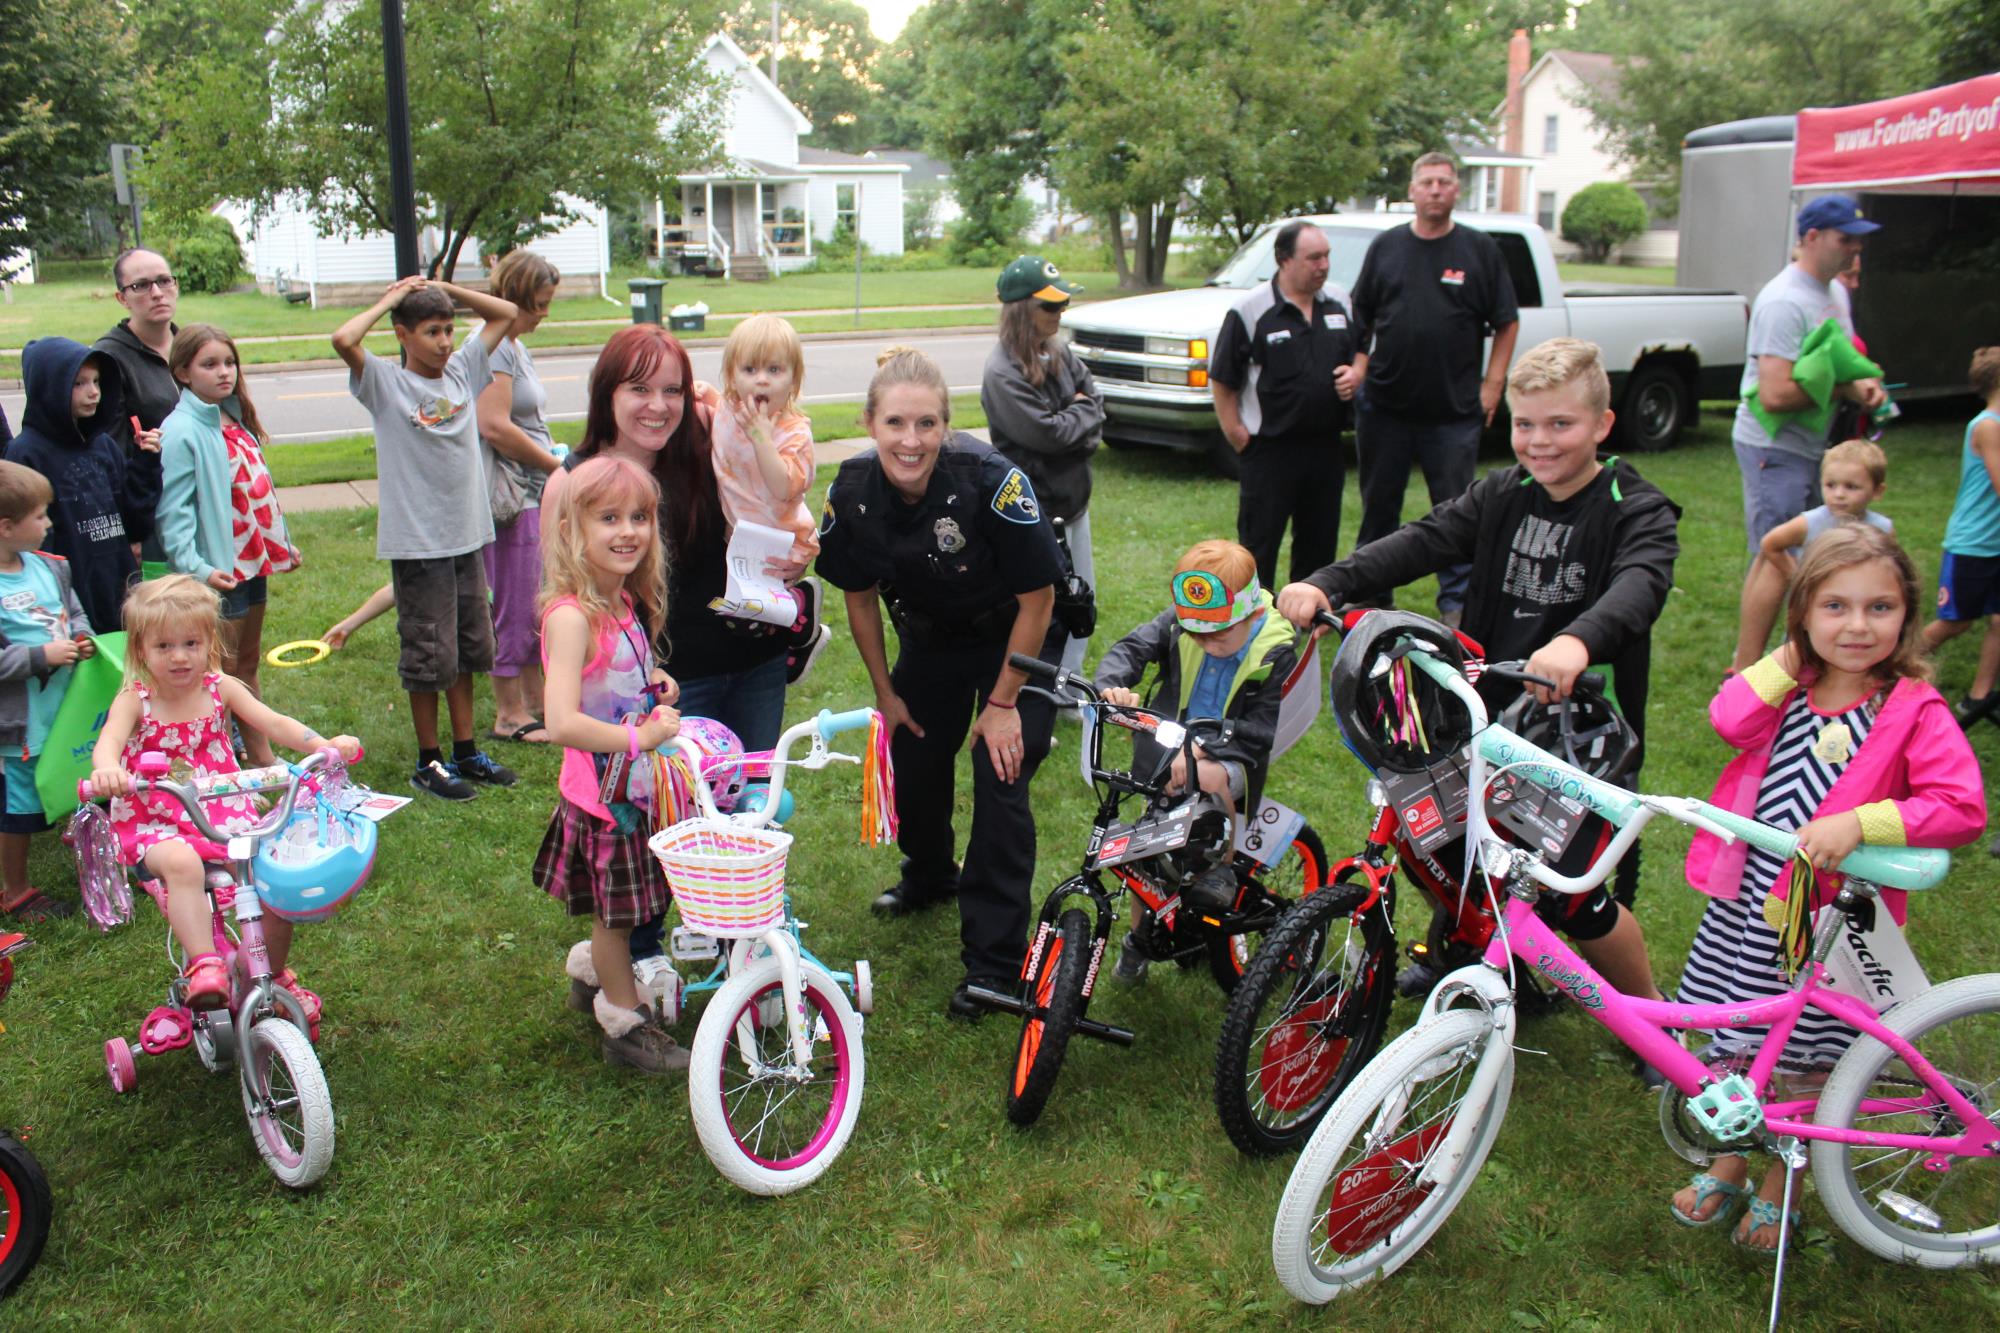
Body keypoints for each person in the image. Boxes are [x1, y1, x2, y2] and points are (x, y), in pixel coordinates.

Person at [1276, 337, 1678, 997]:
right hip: (1482, 714)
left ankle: (1649, 1022)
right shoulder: (1504, 491)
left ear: (1603, 425)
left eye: (1561, 424)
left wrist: (1578, 641)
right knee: (1442, 840)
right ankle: (1468, 951)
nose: (1539, 441)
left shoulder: (1635, 507)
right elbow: (1424, 540)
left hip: (1573, 738)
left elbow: (1640, 584)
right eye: (1525, 424)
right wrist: (1330, 580)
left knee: (1573, 897)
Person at [1672, 524, 1984, 1251]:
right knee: (1741, 1038)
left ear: (1907, 614)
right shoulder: (1793, 687)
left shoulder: (1912, 707)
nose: (1856, 625)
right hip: (1750, 903)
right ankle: (1729, 1159)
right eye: (1834, 606)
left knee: (1804, 1056)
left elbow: (1963, 805)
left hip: (1826, 922)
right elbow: (1728, 717)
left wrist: (1865, 822)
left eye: (1879, 607)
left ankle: (1785, 1184)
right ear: (1805, 613)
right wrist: (1791, 654)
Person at [542, 324, 795, 1000]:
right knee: (660, 822)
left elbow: (781, 483)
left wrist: (796, 552)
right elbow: (563, 593)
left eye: (672, 389)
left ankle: (740, 946)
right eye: (638, 388)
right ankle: (642, 952)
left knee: (747, 810)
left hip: (754, 656)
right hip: (658, 691)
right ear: (607, 393)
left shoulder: (709, 439)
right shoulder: (574, 482)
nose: (658, 405)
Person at [815, 346, 1067, 1017]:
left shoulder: (991, 480)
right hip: (933, 637)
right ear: (870, 421)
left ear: (947, 426)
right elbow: (860, 594)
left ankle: (995, 963)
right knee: (915, 754)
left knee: (1000, 771)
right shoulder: (851, 488)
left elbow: (1040, 599)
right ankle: (929, 875)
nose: (911, 439)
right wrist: (886, 694)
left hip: (1018, 638)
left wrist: (1003, 702)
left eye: (927, 424)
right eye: (896, 422)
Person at [87, 575, 361, 1019]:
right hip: (157, 820)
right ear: (140, 651)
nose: (180, 657)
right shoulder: (135, 700)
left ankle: (268, 974)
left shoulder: (221, 688)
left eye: (191, 643)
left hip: (223, 812)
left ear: (210, 641)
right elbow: (108, 743)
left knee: (271, 876)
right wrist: (109, 770)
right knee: (181, 863)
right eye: (164, 647)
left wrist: (319, 743)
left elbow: (275, 723)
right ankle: (205, 966)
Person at [332, 276, 520, 801]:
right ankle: (428, 760)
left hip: (466, 538)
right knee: (428, 655)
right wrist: (390, 298)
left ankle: (465, 750)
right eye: (431, 331)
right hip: (419, 545)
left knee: (466, 649)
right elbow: (344, 340)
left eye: (448, 330)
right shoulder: (387, 385)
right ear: (402, 334)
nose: (442, 341)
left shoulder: (461, 370)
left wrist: (445, 289)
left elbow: (504, 313)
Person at [532, 455, 688, 1074]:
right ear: (574, 529)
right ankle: (625, 1027)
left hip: (633, 790)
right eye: (609, 518)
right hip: (605, 800)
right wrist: (642, 738)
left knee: (635, 906)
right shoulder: (571, 617)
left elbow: (616, 678)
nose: (628, 531)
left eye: (640, 517)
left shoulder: (621, 602)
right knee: (618, 916)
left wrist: (652, 683)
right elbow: (563, 721)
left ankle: (592, 977)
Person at [1094, 538, 1299, 980]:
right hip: (1170, 755)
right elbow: (1131, 649)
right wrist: (1112, 685)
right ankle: (1139, 941)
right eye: (1196, 633)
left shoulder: (1276, 651)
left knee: (1207, 777)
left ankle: (1222, 869)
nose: (1205, 642)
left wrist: (1203, 748)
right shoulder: (1186, 624)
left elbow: (1263, 729)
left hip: (1232, 758)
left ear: (1254, 614)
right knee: (1146, 851)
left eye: (1218, 634)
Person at [1348, 152, 1520, 627]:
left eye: (1445, 182)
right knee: (1379, 508)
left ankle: (1458, 603)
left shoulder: (1478, 250)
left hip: (1453, 411)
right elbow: (1362, 319)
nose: (1436, 189)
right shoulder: (1386, 247)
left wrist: (1493, 385)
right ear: (1412, 190)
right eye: (1427, 182)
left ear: (1457, 190)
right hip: (1385, 408)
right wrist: (1360, 369)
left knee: (1457, 511)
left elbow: (1506, 322)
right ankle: (1370, 600)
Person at [157, 324, 301, 766]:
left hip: (252, 565)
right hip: (220, 571)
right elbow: (174, 513)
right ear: (182, 371)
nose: (224, 373)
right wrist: (198, 569)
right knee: (218, 675)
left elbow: (255, 493)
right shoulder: (181, 430)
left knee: (247, 665)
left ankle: (260, 757)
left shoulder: (234, 416)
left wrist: (282, 544)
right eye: (210, 364)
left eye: (229, 362)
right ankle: (221, 762)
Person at [1732, 196, 1887, 568]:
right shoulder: (1784, 301)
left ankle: (1803, 628)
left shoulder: (1834, 292)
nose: (1856, 247)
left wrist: (1866, 382)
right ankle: (1760, 631)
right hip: (1773, 448)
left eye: (1858, 239)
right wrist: (1846, 391)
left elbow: (1840, 359)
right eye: (1845, 239)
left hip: (1814, 447)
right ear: (1813, 237)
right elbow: (1774, 394)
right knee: (1776, 556)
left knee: (1814, 554)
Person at [1210, 222, 1358, 589]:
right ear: (1284, 260)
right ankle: (1256, 622)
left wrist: (1356, 374)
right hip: (1270, 451)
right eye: (1313, 258)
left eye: (1326, 256)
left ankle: (1306, 620)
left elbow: (1361, 350)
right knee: (1259, 545)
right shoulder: (1250, 309)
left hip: (1325, 448)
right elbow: (1224, 378)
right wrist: (1236, 432)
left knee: (1319, 543)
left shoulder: (1339, 302)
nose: (1323, 265)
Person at [981, 255, 1102, 679]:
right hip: (1035, 510)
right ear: (1021, 310)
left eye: (1063, 303)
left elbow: (1095, 401)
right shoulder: (1002, 372)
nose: (1060, 312)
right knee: (1045, 607)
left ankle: (1068, 687)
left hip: (1073, 501)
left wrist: (1079, 417)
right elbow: (1046, 436)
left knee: (1081, 599)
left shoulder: (1058, 350)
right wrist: (1080, 417)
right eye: (1051, 306)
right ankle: (1040, 689)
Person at [702, 313, 826, 682]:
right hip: (743, 535)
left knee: (745, 619)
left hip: (778, 540)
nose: (761, 379)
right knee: (741, 616)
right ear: (731, 377)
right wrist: (704, 393)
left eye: (775, 369)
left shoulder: (793, 434)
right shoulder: (730, 409)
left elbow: (783, 486)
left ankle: (801, 606)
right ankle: (797, 635)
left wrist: (762, 439)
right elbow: (718, 411)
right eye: (750, 368)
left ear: (793, 381)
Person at [476, 251, 567, 746]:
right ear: (514, 300)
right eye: (538, 305)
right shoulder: (494, 349)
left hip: (533, 487)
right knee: (514, 600)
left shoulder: (513, 344)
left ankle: (535, 701)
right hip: (512, 493)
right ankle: (509, 712)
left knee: (535, 598)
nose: (544, 315)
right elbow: (492, 424)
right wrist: (552, 463)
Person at [0, 461, 94, 921]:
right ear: (6, 528)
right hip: (21, 729)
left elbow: (73, 613)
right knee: (19, 810)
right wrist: (41, 657)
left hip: (67, 713)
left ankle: (96, 861)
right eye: (39, 516)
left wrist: (82, 637)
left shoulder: (51, 567)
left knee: (82, 784)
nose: (49, 524)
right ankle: (15, 890)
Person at [3, 337, 145, 629]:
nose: (93, 392)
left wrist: (147, 463)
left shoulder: (103, 446)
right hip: (69, 591)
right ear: (49, 388)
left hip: (116, 581)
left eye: (96, 382)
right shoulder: (26, 453)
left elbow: (133, 516)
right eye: (78, 384)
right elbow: (31, 537)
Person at [1732, 439, 1891, 672]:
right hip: (1813, 608)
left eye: (1851, 487)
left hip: (1856, 607)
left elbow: (1891, 568)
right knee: (1801, 657)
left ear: (1877, 491)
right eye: (1830, 485)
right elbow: (1771, 543)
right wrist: (1798, 577)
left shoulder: (1882, 528)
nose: (1839, 495)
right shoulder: (1813, 521)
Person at [1919, 347, 2000, 724]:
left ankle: (1977, 698)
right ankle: (1887, 667)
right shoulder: (1987, 426)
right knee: (1956, 621)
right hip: (1973, 544)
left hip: (1997, 545)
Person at [93, 248, 176, 554]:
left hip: (204, 499)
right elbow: (109, 453)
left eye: (164, 281)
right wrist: (129, 531)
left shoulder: (193, 346)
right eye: (141, 286)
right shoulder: (109, 358)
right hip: (151, 512)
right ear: (122, 298)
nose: (157, 293)